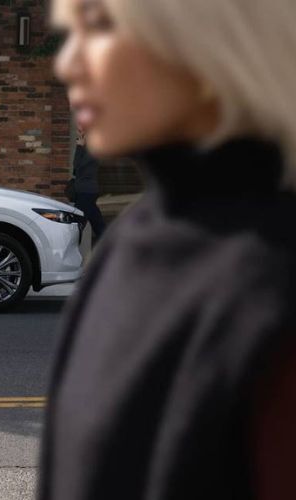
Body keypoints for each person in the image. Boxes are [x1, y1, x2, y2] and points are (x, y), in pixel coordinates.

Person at [39, 0, 296, 499]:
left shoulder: (272, 280)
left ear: (204, 43)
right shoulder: (134, 242)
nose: (69, 64)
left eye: (100, 25)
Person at [72, 126, 106, 243]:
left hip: (86, 192)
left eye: (81, 132)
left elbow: (77, 165)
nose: (79, 135)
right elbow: (76, 170)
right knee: (97, 223)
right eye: (78, 132)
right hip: (85, 191)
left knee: (76, 225)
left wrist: (79, 146)